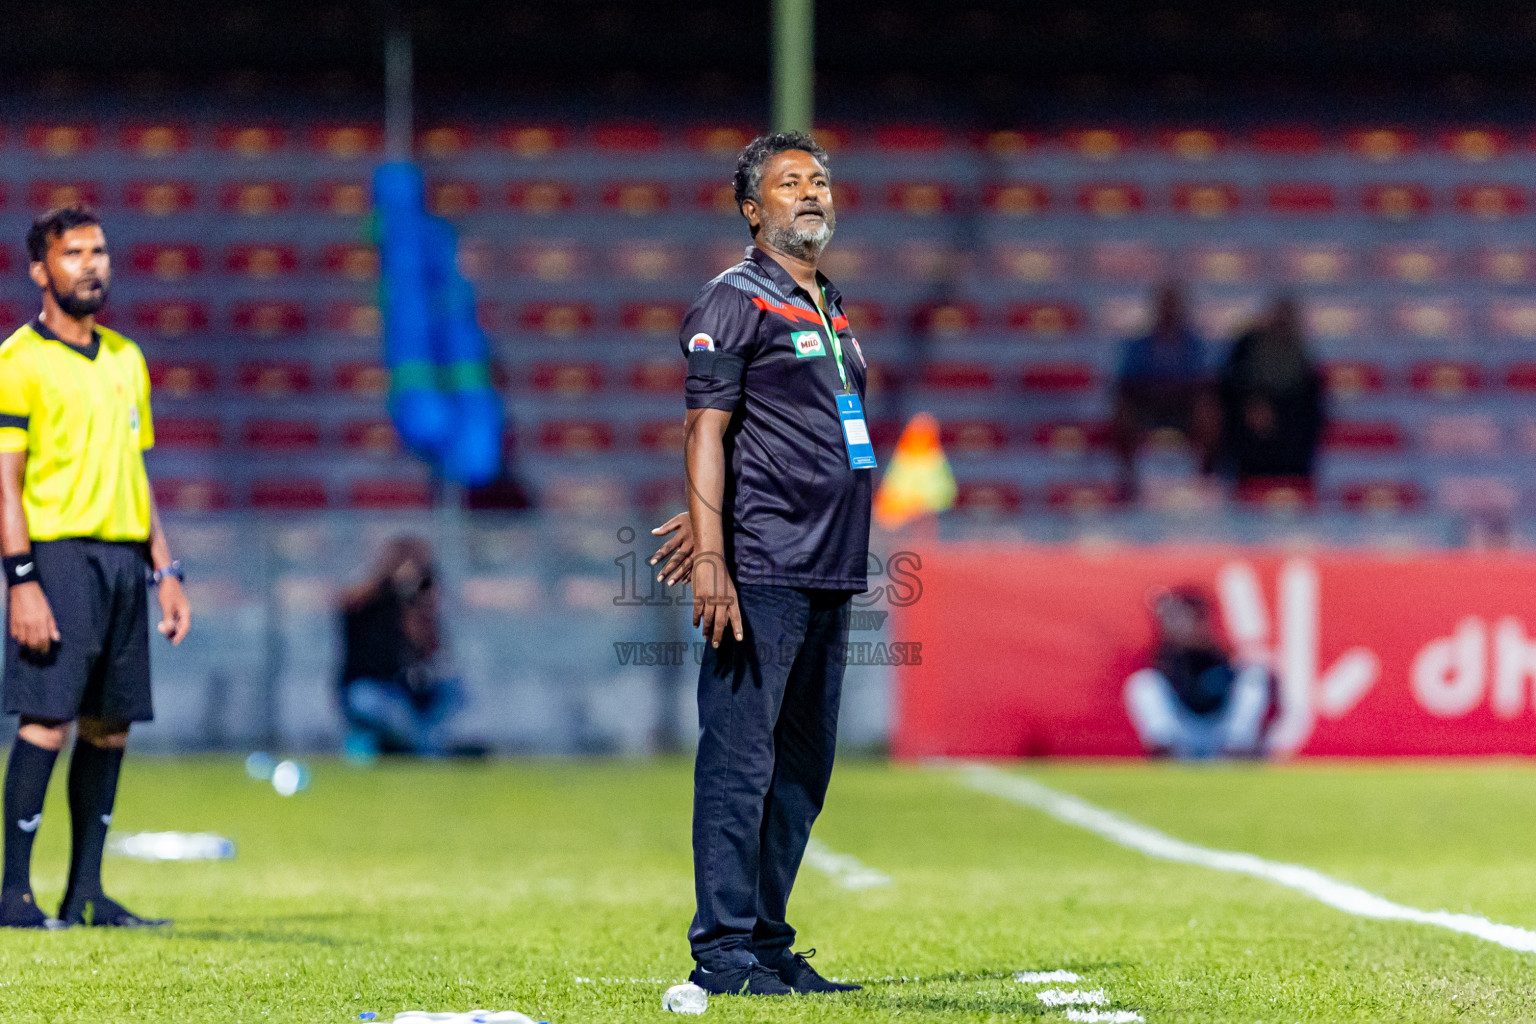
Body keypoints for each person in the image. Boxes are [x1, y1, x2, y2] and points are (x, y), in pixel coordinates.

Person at [675, 132, 873, 997]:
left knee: (800, 774)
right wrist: (712, 549)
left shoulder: (828, 302)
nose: (812, 193)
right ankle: (721, 954)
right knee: (740, 766)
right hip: (760, 567)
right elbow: (705, 429)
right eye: (790, 183)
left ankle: (763, 941)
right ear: (753, 211)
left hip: (830, 568)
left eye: (820, 180)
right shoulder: (734, 300)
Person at [0, 206, 192, 929]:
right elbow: (5, 486)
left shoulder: (126, 359)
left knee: (109, 725)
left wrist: (165, 572)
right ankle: (14, 895)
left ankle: (86, 893)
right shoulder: (17, 362)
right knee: (47, 718)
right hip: (56, 555)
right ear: (40, 270)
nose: (91, 264)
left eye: (100, 251)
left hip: (121, 559)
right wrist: (20, 583)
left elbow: (136, 478)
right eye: (73, 252)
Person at [337, 536, 467, 760]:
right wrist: (389, 577)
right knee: (384, 710)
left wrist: (419, 605)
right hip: (366, 685)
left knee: (453, 691)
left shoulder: (412, 601)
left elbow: (430, 649)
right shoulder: (370, 593)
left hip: (401, 686)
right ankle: (415, 749)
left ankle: (420, 749)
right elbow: (348, 600)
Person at [1123, 587, 1271, 759]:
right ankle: (1168, 756)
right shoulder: (1166, 654)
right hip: (1183, 734)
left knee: (1254, 677)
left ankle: (1236, 754)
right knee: (1143, 682)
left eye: (1182, 617)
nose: (1175, 624)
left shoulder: (1219, 649)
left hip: (1221, 732)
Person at [1110, 282, 1219, 500]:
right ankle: (1129, 480)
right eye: (1165, 305)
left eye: (1174, 305)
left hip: (1183, 408)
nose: (1169, 310)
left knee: (1209, 411)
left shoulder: (1194, 343)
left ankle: (1204, 478)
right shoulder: (1139, 344)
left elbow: (1202, 380)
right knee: (1121, 411)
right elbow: (1126, 381)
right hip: (1148, 406)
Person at [1215, 296, 1326, 491]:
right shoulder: (1247, 345)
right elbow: (1228, 383)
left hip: (1289, 427)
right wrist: (1251, 405)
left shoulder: (1301, 355)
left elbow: (1310, 402)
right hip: (1247, 422)